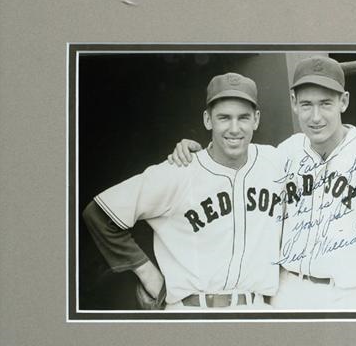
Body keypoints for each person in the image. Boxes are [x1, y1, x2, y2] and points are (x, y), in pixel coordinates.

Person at [168, 56, 356, 310]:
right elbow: (234, 160)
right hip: (290, 292)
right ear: (294, 103)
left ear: (343, 102)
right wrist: (195, 151)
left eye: (326, 104)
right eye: (307, 104)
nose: (316, 116)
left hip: (353, 295)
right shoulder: (285, 153)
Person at [83, 72, 283, 310]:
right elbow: (99, 214)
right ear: (208, 120)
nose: (234, 128)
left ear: (256, 119)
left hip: (255, 309)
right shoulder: (179, 170)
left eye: (243, 118)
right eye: (224, 118)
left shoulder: (276, 162)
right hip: (191, 311)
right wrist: (150, 277)